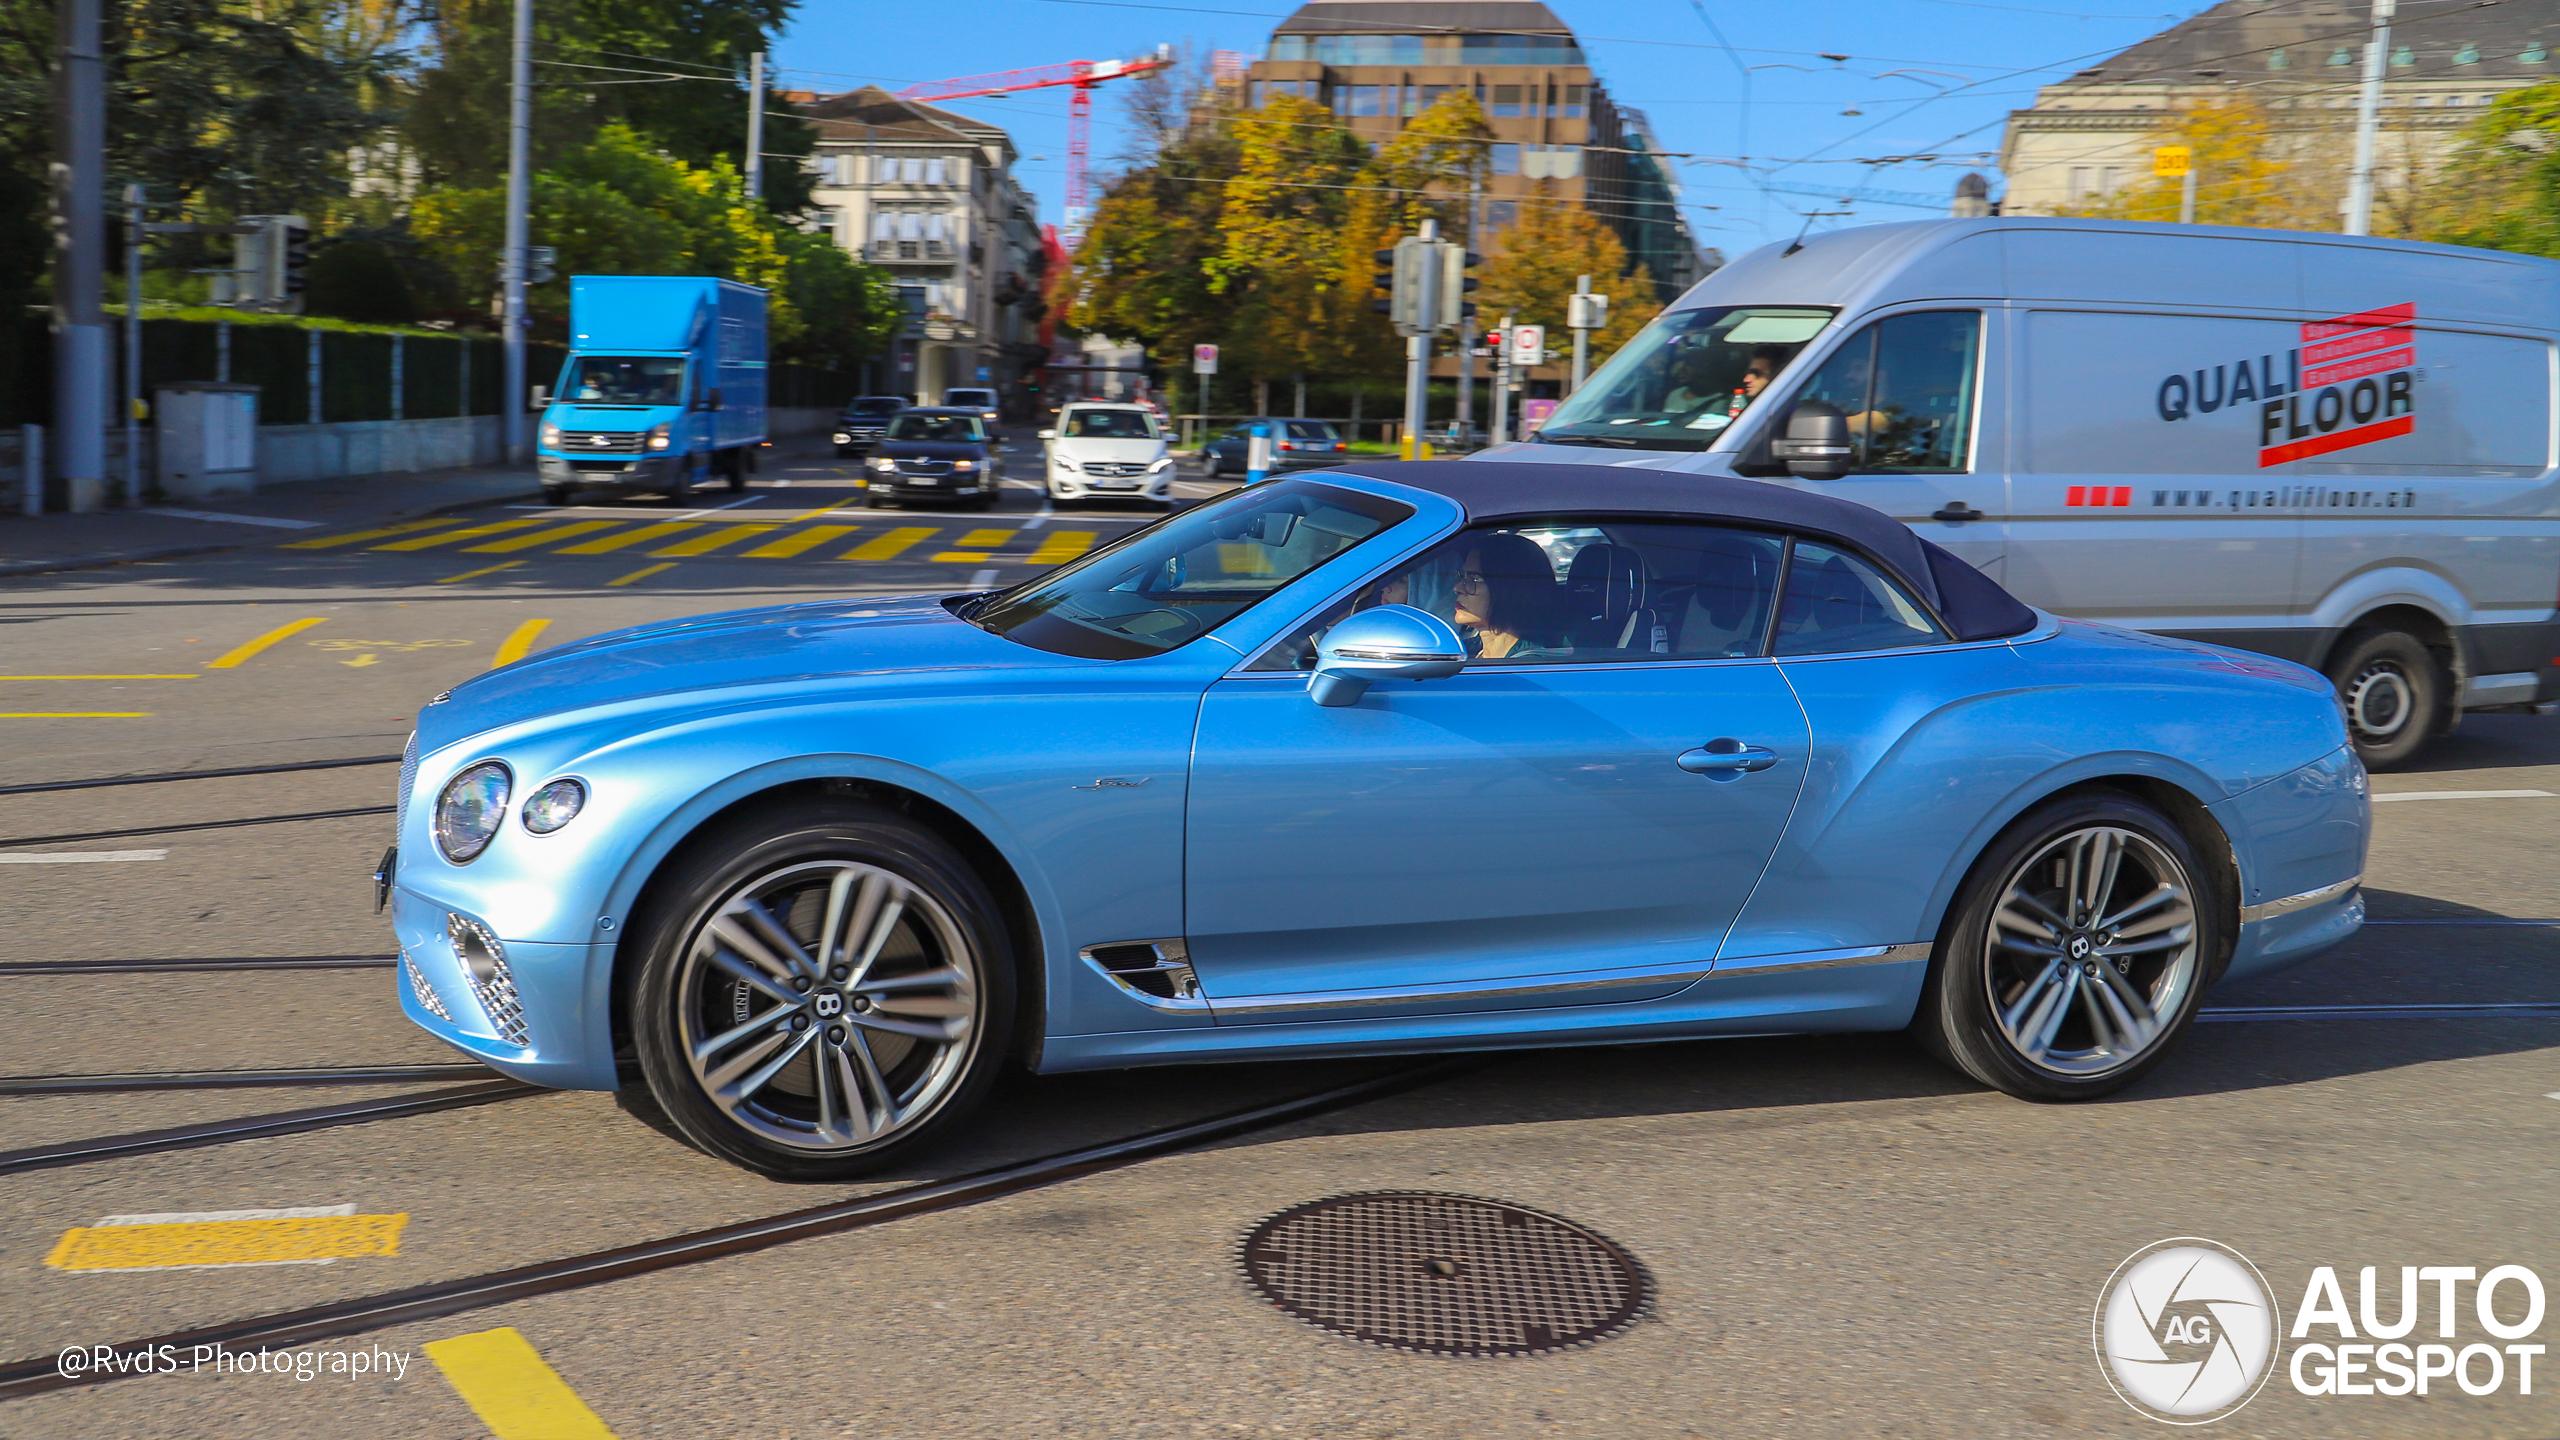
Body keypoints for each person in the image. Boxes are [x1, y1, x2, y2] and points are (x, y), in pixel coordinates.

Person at [1453, 532, 1559, 660]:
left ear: (1509, 588)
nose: (1457, 588)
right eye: (1462, 576)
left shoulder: (1532, 666)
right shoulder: (1459, 651)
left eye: (1474, 578)